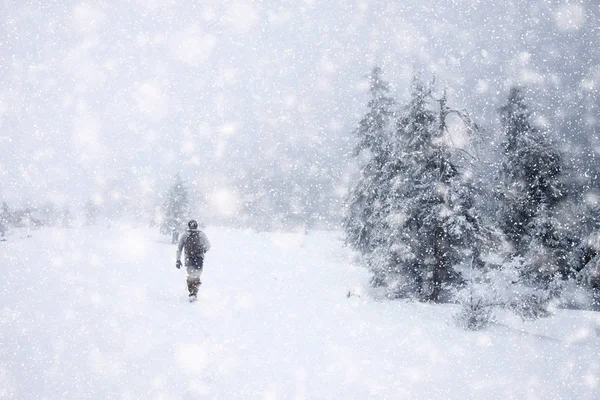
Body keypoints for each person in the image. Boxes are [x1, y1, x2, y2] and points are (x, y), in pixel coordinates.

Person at [176, 219, 211, 301]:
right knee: (197, 275)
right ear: (197, 226)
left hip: (188, 258)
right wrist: (203, 250)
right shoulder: (201, 234)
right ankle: (195, 292)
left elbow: (179, 249)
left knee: (191, 275)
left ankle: (192, 292)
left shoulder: (185, 235)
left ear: (188, 226)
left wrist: (178, 260)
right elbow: (208, 246)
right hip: (199, 258)